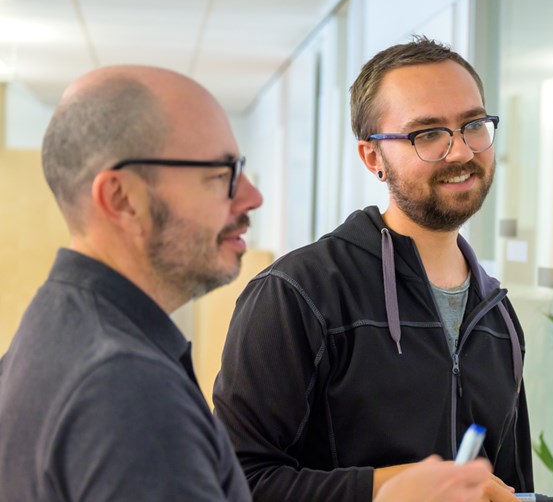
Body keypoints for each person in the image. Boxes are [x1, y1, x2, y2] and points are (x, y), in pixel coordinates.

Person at [0, 64, 492, 502]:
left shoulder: (63, 335)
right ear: (123, 198)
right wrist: (382, 493)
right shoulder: (123, 387)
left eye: (472, 125)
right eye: (222, 174)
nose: (253, 197)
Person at [213, 36, 534, 502]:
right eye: (428, 134)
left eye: (473, 125)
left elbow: (509, 486)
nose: (461, 152)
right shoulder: (298, 294)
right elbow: (236, 480)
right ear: (372, 158)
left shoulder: (498, 318)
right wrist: (388, 490)